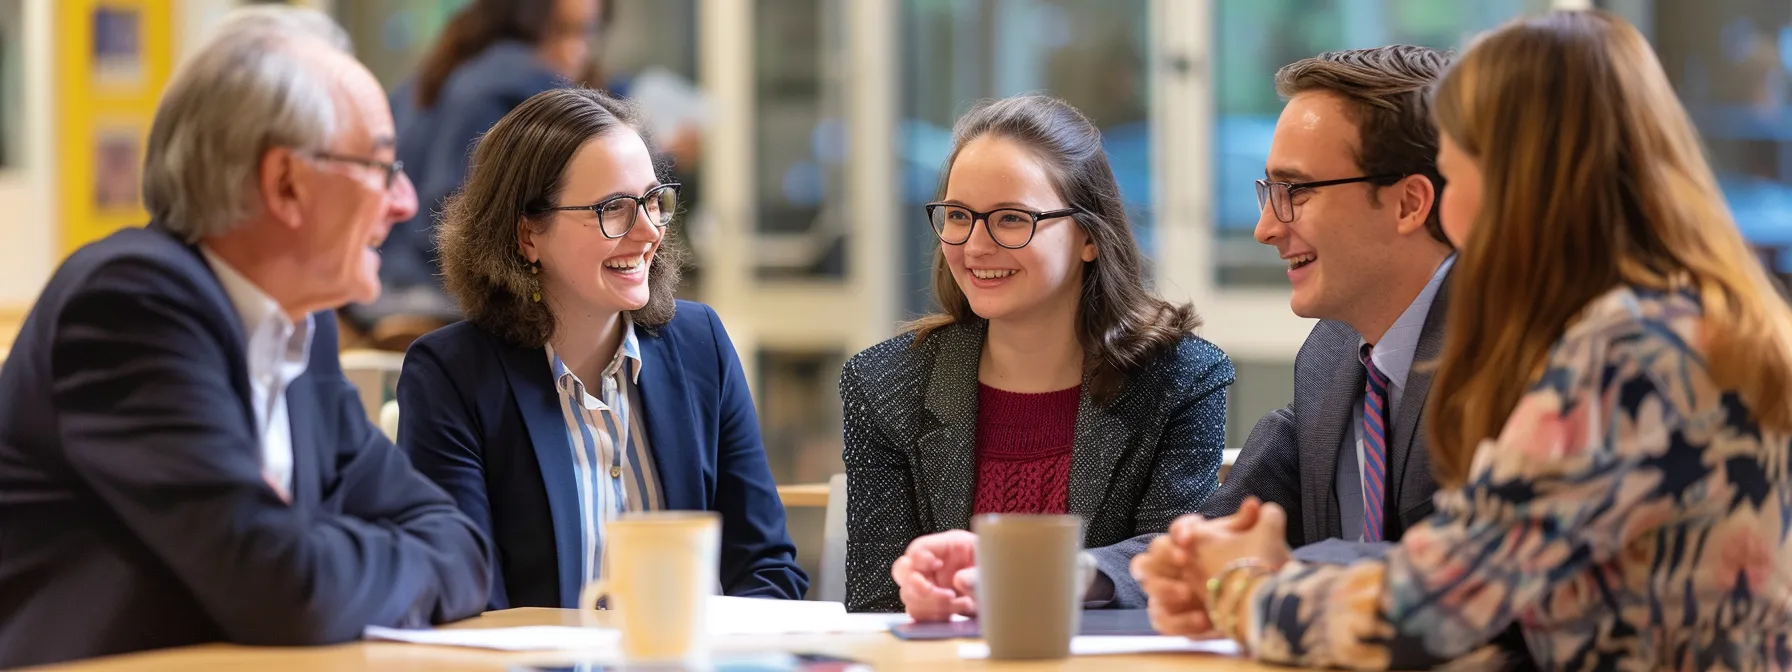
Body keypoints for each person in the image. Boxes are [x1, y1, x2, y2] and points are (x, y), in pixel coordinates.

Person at [1135, 10, 1792, 669]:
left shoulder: (1628, 352)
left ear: (1518, 177)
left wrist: (1242, 587)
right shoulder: (1692, 320)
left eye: (1455, 167)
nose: (1446, 207)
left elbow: (1427, 609)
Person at [0, 7, 490, 667]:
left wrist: (323, 556)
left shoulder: (300, 323)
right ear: (286, 184)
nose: (403, 203)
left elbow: (461, 543)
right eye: (380, 167)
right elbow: (286, 589)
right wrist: (335, 559)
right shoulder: (131, 304)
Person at [398, 87, 807, 609]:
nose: (647, 231)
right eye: (613, 209)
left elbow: (766, 568)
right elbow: (466, 598)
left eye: (653, 201)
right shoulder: (451, 376)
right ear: (528, 235)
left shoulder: (701, 344)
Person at [841, 95, 1235, 617]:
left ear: (1089, 237)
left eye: (1010, 219)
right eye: (958, 215)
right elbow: (877, 601)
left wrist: (1046, 578)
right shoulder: (881, 384)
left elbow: (1173, 571)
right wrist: (921, 597)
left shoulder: (1179, 378)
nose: (975, 246)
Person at [1197, 45, 1455, 555]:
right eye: (1268, 191)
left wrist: (1285, 581)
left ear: (1408, 204)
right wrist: (1078, 577)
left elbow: (1463, 580)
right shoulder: (1332, 354)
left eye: (1296, 190)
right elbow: (1219, 537)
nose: (1265, 229)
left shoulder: (1512, 358)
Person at [352, 0, 610, 344]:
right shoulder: (516, 87)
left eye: (588, 31)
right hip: (435, 297)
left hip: (377, 287)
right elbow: (454, 220)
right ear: (530, 21)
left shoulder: (435, 72)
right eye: (567, 30)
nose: (580, 50)